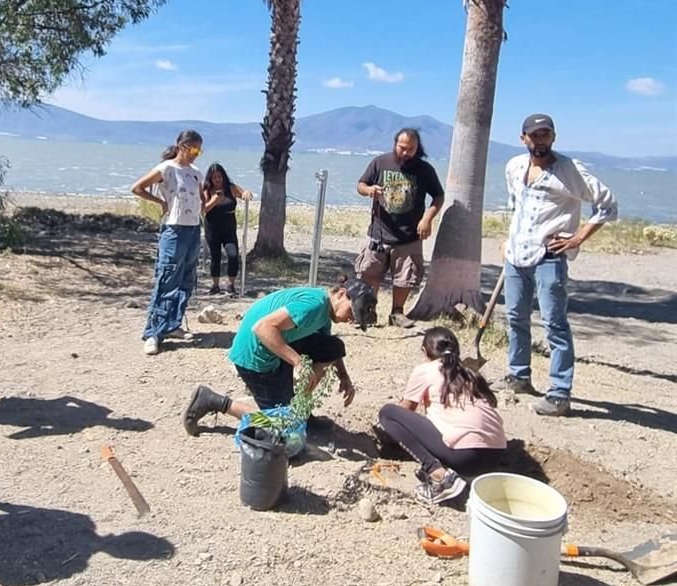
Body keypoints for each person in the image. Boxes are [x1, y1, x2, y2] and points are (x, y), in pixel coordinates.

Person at [493, 114, 618, 416]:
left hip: (549, 256)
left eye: (545, 134)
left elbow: (607, 204)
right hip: (516, 256)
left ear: (553, 137)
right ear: (523, 138)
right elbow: (516, 207)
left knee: (555, 325)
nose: (540, 140)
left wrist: (577, 238)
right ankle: (518, 375)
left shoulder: (570, 170)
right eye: (534, 135)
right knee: (515, 317)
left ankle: (560, 393)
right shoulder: (514, 166)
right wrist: (507, 240)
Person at [182, 277, 378, 435]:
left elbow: (326, 347)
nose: (351, 320)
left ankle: (301, 411)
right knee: (282, 426)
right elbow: (262, 328)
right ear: (342, 294)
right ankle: (213, 401)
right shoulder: (313, 305)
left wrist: (343, 376)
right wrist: (298, 362)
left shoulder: (325, 310)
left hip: (275, 347)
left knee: (334, 347)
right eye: (352, 313)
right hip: (255, 357)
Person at [376, 327, 506, 505]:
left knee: (388, 413)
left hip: (464, 457)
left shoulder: (426, 370)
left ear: (424, 351)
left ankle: (439, 476)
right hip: (496, 456)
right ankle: (457, 473)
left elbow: (405, 411)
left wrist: (390, 441)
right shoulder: (471, 373)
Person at [355, 128, 444, 329]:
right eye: (402, 148)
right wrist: (369, 190)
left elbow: (438, 196)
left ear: (417, 148)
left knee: (404, 277)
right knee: (370, 272)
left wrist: (427, 219)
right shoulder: (380, 162)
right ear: (395, 144)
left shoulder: (424, 170)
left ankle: (397, 313)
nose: (405, 152)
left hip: (409, 236)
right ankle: (368, 311)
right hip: (379, 232)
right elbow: (361, 184)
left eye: (411, 149)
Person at [131, 130, 204, 356]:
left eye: (198, 150)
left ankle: (172, 324)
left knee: (186, 279)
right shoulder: (167, 169)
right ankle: (153, 332)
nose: (195, 154)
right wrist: (161, 203)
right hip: (174, 229)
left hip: (193, 229)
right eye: (193, 149)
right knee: (167, 278)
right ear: (181, 146)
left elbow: (200, 198)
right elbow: (138, 187)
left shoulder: (196, 173)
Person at [201, 163, 252, 296]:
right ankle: (215, 285)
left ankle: (231, 285)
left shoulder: (231, 188)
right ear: (210, 179)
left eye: (220, 177)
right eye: (214, 178)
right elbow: (203, 209)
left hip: (229, 228)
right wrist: (214, 200)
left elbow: (243, 194)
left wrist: (246, 193)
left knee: (233, 255)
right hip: (213, 227)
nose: (218, 180)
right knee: (215, 256)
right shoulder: (207, 190)